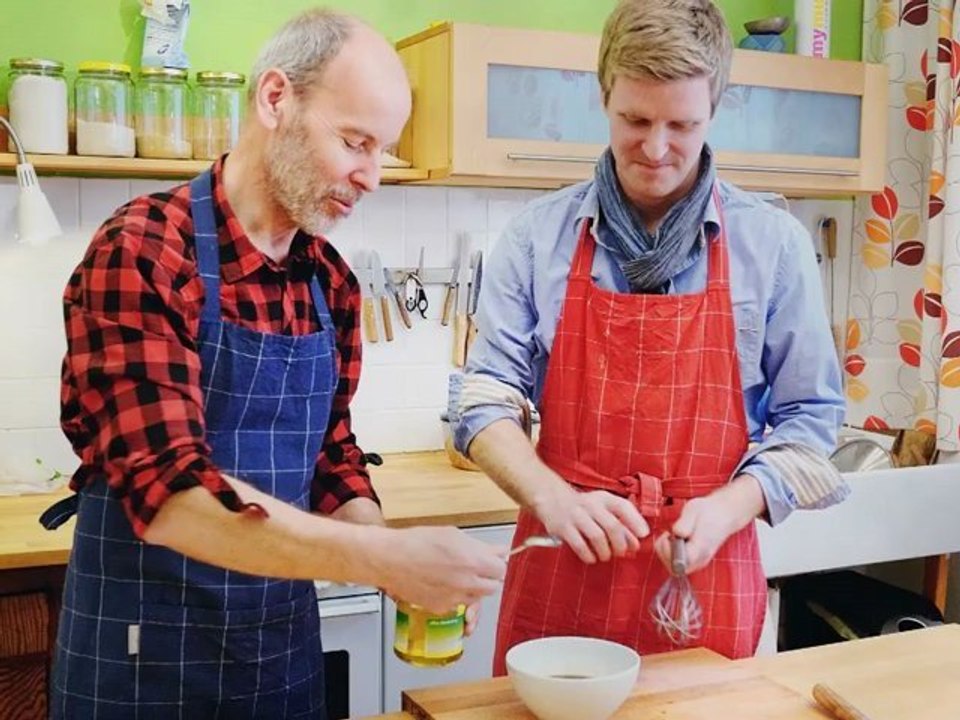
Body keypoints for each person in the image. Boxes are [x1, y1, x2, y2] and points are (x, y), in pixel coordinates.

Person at [42, 8, 506, 718]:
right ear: (276, 99)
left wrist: (389, 553)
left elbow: (330, 458)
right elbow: (171, 497)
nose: (372, 176)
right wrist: (382, 560)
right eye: (356, 141)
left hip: (277, 663)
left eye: (383, 150)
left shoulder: (331, 285)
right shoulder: (142, 252)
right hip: (140, 666)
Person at [454, 0, 846, 671]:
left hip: (707, 571)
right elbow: (481, 400)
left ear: (715, 109)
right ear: (603, 94)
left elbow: (811, 420)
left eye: (682, 125)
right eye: (634, 120)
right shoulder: (537, 237)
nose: (656, 148)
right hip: (564, 567)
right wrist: (552, 499)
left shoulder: (773, 245)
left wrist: (729, 508)